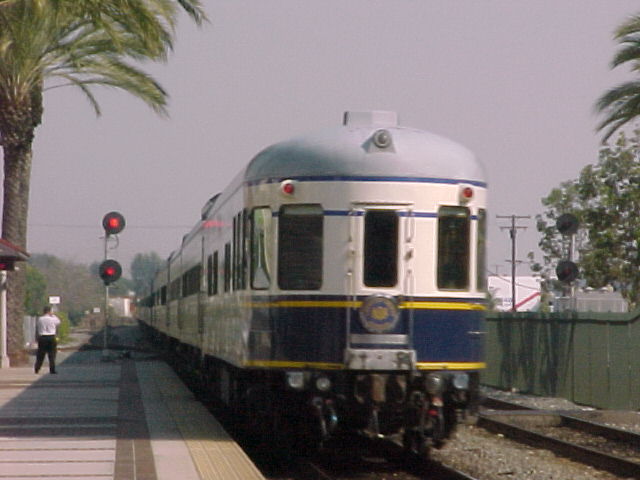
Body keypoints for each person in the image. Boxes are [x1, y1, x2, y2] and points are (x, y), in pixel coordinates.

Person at [34, 306, 61, 374]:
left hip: (42, 337)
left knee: (40, 354)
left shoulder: (40, 319)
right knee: (52, 354)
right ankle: (52, 369)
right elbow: (58, 322)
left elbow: (38, 328)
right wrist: (53, 315)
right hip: (51, 337)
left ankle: (37, 368)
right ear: (49, 311)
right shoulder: (53, 319)